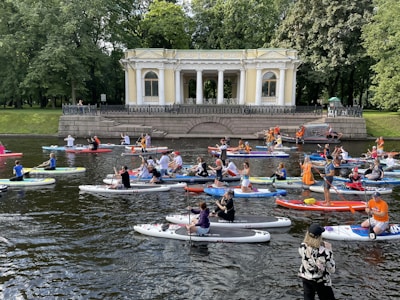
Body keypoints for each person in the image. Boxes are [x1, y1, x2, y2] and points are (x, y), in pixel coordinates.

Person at [298, 223, 336, 300]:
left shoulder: (302, 246)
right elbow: (332, 269)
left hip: (306, 277)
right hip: (320, 280)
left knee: (308, 297)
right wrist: (329, 250)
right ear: (319, 237)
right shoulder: (324, 252)